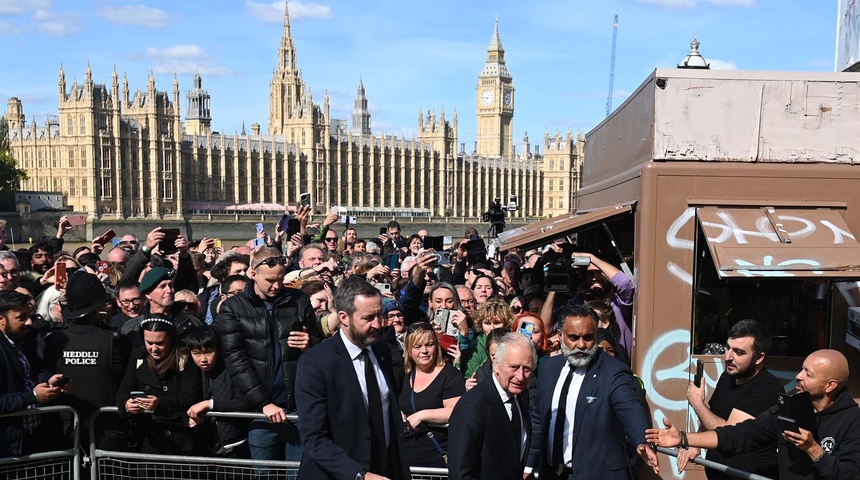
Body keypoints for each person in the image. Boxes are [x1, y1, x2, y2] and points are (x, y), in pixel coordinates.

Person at [647, 349, 860, 480]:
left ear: (831, 385)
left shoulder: (853, 421)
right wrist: (683, 438)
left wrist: (814, 450)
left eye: (808, 374)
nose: (798, 376)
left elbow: (850, 475)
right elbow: (740, 434)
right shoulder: (788, 407)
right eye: (802, 369)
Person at [295, 276, 410, 480]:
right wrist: (359, 475)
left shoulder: (382, 351)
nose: (378, 324)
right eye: (368, 318)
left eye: (379, 315)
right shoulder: (316, 363)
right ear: (344, 317)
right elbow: (314, 438)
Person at [526, 305, 659, 480]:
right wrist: (529, 465)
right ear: (560, 336)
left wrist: (642, 441)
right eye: (573, 337)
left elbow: (629, 408)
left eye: (588, 337)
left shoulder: (614, 372)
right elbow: (539, 419)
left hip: (597, 474)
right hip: (552, 473)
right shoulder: (549, 368)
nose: (581, 345)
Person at [216, 247, 319, 463]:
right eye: (270, 280)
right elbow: (236, 361)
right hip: (261, 411)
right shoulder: (233, 308)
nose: (277, 285)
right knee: (265, 472)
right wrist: (263, 403)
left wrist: (309, 347)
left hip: (298, 406)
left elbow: (321, 347)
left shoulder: (299, 300)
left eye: (281, 279)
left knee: (298, 473)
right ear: (252, 274)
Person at [680, 319, 784, 479]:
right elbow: (712, 414)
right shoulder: (727, 377)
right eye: (728, 348)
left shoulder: (767, 389)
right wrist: (696, 442)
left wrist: (697, 403)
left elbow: (729, 434)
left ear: (759, 358)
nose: (728, 357)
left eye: (739, 352)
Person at [42, 271, 131, 448]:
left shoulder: (53, 339)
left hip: (67, 431)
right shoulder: (114, 339)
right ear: (99, 306)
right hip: (107, 430)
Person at [447, 333, 535, 480]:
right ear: (496, 364)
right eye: (513, 367)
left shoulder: (521, 396)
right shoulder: (472, 406)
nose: (520, 376)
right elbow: (460, 473)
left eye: (526, 369)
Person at [116, 316, 202, 454]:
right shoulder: (138, 356)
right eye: (149, 342)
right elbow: (123, 390)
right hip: (147, 437)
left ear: (171, 339)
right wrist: (126, 404)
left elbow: (191, 396)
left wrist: (160, 404)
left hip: (179, 438)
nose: (154, 348)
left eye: (160, 343)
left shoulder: (185, 357)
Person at [0, 290, 65, 456]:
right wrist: (33, 397)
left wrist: (49, 380)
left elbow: (34, 370)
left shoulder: (22, 341)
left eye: (29, 315)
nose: (29, 322)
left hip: (31, 435)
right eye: (21, 318)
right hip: (8, 445)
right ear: (1, 319)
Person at [400, 322, 465, 467]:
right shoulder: (404, 376)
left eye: (429, 345)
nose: (424, 351)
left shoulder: (450, 375)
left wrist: (422, 415)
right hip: (406, 461)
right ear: (409, 350)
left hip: (437, 461)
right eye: (417, 346)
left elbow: (455, 410)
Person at [184, 326, 250, 457]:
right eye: (196, 353)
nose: (203, 359)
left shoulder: (232, 370)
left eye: (208, 352)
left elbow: (245, 403)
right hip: (207, 444)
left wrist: (210, 404)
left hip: (234, 444)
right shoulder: (192, 372)